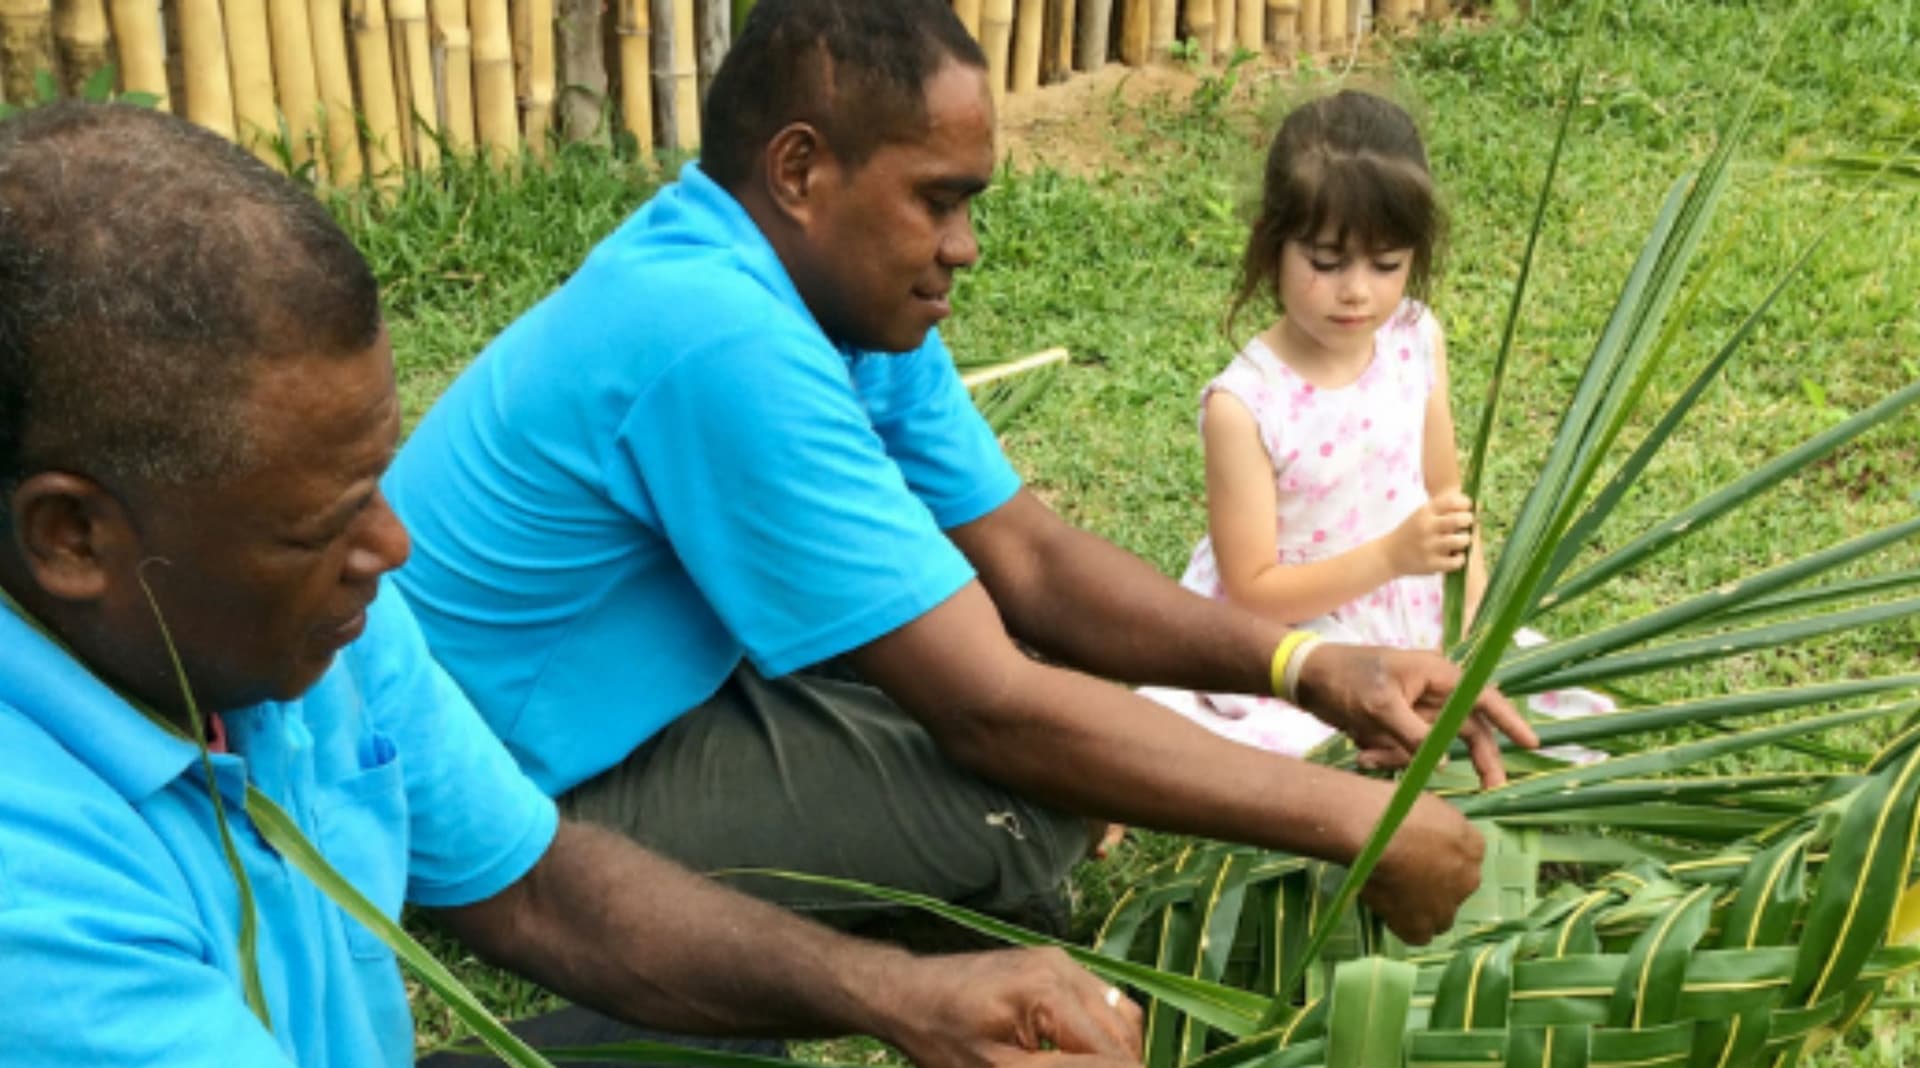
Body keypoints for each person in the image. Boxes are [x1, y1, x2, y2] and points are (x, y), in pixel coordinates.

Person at [0, 102, 1238, 1068]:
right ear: (72, 536)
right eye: (319, 523)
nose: (391, 549)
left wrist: (899, 997)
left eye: (377, 482)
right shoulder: (24, 882)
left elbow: (535, 881)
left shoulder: (280, 626)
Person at [384, 0, 1538, 952]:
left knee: (1068, 696)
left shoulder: (822, 289)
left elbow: (1028, 559)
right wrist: (1355, 819)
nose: (966, 246)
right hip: (509, 786)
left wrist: (1311, 663)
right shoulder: (722, 340)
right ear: (800, 170)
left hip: (637, 696)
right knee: (1034, 796)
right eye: (938, 200)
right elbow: (988, 710)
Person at [1142, 90, 1610, 755]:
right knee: (1308, 753)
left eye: (1387, 265)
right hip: (1301, 638)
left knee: (1559, 710)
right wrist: (1390, 556)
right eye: (1327, 263)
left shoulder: (1416, 338)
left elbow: (1446, 500)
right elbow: (1251, 594)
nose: (1358, 290)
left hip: (1414, 612)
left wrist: (1471, 615)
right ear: (1272, 247)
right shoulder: (1244, 406)